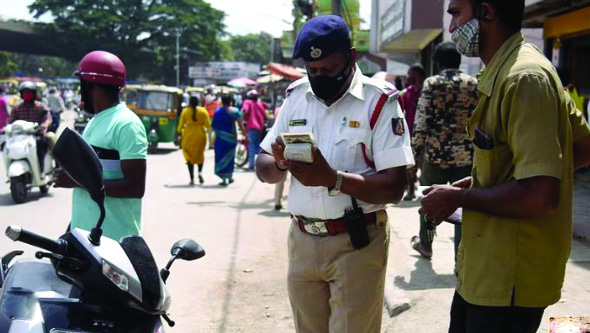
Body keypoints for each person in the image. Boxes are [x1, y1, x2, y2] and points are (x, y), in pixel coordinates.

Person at [419, 1, 590, 332]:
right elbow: (578, 148)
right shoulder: (503, 69)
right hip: (486, 268)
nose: (452, 26)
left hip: (509, 276)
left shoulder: (525, 77)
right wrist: (482, 183)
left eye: (456, 13)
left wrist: (458, 199)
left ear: (487, 12)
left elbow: (541, 196)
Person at [256, 15, 413, 332]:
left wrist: (333, 179)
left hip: (356, 243)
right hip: (302, 241)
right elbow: (263, 167)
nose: (319, 76)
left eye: (327, 69)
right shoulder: (296, 96)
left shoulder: (378, 101)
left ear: (351, 57)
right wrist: (280, 164)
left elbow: (395, 188)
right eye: (312, 70)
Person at [54, 50, 148, 241]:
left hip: (113, 242)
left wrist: (75, 181)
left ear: (89, 85)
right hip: (86, 238)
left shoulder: (126, 124)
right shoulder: (96, 121)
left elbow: (135, 187)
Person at [410, 41, 478, 260]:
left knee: (430, 204)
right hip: (466, 157)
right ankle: (462, 255)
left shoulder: (432, 83)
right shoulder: (473, 83)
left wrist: (413, 154)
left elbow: (421, 121)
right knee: (464, 208)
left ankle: (427, 244)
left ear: (437, 62)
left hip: (436, 156)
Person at [9, 82, 55, 171]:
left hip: (37, 134)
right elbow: (11, 121)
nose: (27, 94)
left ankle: (56, 166)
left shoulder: (41, 106)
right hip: (21, 136)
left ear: (34, 94)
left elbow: (48, 118)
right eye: (25, 92)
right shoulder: (17, 107)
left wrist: (44, 125)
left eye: (29, 92)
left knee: (50, 138)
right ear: (21, 94)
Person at [401, 63, 426, 201]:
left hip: (427, 136)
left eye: (409, 73)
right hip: (410, 134)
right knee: (409, 165)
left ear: (416, 75)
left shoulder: (428, 90)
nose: (407, 76)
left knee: (425, 166)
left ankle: (424, 190)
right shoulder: (407, 92)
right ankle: (411, 189)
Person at [177, 95, 211, 185]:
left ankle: (192, 178)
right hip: (201, 135)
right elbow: (208, 124)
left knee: (189, 157)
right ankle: (200, 172)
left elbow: (180, 126)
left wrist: (178, 133)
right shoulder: (203, 111)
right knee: (200, 155)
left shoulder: (185, 111)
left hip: (188, 135)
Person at [211, 95, 244, 186]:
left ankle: (223, 178)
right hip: (231, 139)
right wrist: (245, 134)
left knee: (221, 156)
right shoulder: (235, 111)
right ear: (230, 101)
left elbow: (213, 125)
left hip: (220, 138)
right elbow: (240, 125)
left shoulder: (217, 111)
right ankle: (229, 177)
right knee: (230, 158)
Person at [242, 89, 268, 170]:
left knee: (252, 146)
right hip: (260, 127)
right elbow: (265, 114)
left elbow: (244, 110)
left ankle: (251, 165)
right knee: (257, 145)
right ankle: (261, 164)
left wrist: (243, 119)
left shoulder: (247, 102)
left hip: (251, 126)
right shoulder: (260, 103)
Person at [204, 85, 221, 149]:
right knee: (210, 131)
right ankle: (211, 144)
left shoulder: (215, 98)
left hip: (215, 116)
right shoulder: (208, 97)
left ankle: (212, 143)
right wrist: (216, 97)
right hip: (209, 116)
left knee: (215, 131)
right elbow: (210, 100)